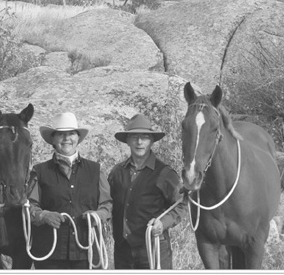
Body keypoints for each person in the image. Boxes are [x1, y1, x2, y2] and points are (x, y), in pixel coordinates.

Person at [28, 112, 112, 269]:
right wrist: (43, 215)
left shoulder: (95, 170)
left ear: (78, 138)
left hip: (87, 253)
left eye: (71, 133)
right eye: (61, 134)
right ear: (53, 139)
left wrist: (98, 216)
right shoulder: (39, 171)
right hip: (49, 254)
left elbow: (106, 204)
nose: (66, 138)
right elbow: (30, 205)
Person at [108, 113, 186, 269]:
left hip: (154, 249)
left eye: (144, 137)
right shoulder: (116, 172)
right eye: (134, 137)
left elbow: (181, 204)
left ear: (151, 141)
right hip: (123, 250)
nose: (139, 142)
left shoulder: (165, 173)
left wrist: (163, 223)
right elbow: (107, 204)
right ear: (127, 141)